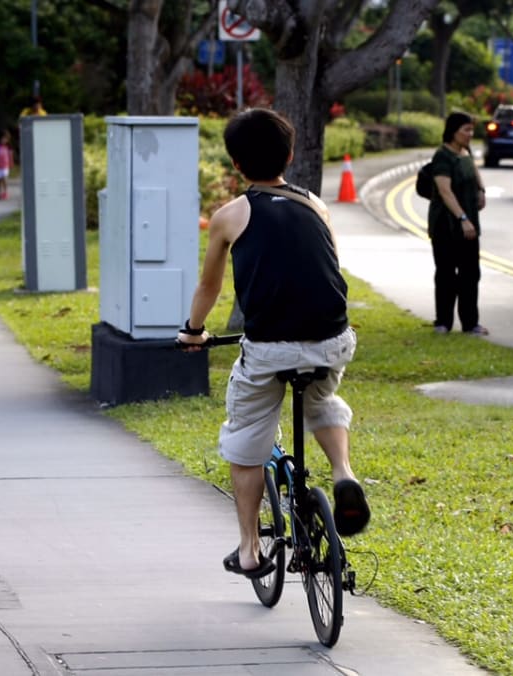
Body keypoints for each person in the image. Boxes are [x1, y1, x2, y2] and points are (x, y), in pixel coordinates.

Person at [177, 108, 369, 579]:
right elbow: (329, 269)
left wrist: (193, 331)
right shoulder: (314, 205)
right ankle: (343, 474)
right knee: (321, 400)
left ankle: (248, 550)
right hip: (332, 339)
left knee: (245, 441)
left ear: (237, 164)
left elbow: (209, 288)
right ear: (289, 155)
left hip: (269, 349)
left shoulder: (229, 216)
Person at [427, 112, 489, 335]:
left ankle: (471, 323)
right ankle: (443, 321)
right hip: (447, 225)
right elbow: (445, 191)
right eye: (466, 130)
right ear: (453, 131)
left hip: (470, 224)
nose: (470, 134)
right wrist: (462, 218)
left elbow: (473, 169)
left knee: (470, 274)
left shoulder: (465, 152)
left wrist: (481, 190)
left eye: (472, 130)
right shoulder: (442, 156)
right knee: (445, 274)